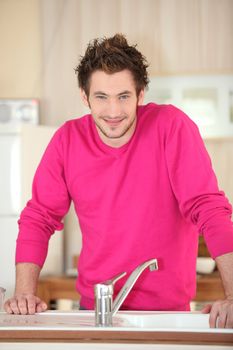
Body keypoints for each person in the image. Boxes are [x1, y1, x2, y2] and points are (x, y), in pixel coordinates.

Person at [4, 34, 233, 328]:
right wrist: (24, 293)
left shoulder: (172, 127)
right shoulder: (67, 140)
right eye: (101, 97)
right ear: (85, 97)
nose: (113, 112)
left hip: (168, 315)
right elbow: (39, 217)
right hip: (94, 312)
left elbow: (209, 209)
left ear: (140, 94)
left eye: (123, 96)